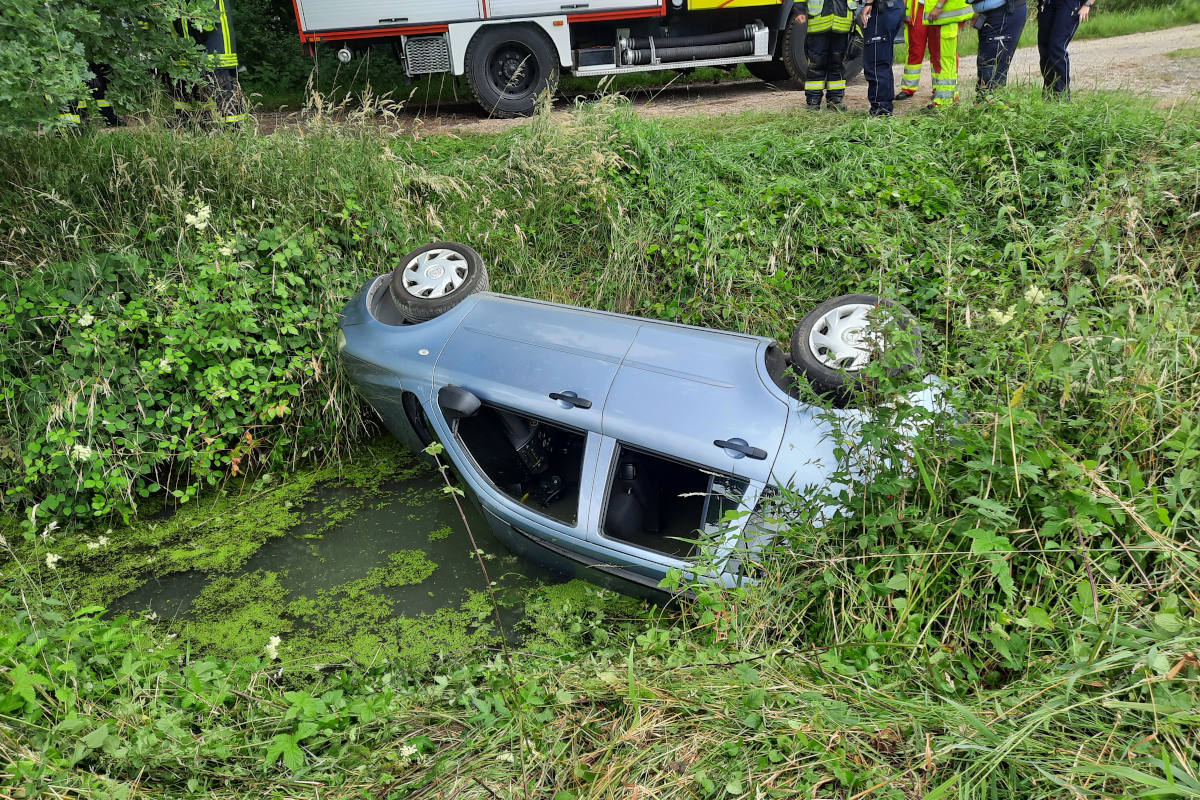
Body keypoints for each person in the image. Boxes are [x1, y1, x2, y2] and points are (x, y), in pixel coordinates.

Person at [804, 0, 859, 111]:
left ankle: (835, 100)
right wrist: (799, 9)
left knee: (837, 64)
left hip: (843, 21)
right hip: (818, 21)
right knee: (816, 64)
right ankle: (813, 102)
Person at [973, 0, 1028, 100]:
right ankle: (984, 106)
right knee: (985, 64)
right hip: (991, 12)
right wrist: (979, 9)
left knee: (993, 68)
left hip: (1005, 12)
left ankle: (991, 108)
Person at [1038, 0, 1093, 98]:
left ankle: (1062, 96)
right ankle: (1049, 94)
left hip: (1069, 4)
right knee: (1044, 49)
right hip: (1047, 4)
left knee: (1056, 47)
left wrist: (1087, 4)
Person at [923, 0, 973, 108]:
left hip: (945, 15)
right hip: (945, 15)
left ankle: (943, 103)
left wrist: (939, 5)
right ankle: (952, 98)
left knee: (945, 60)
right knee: (947, 59)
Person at [860, 0, 907, 116]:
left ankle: (880, 110)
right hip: (893, 7)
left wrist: (869, 3)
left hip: (881, 9)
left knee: (876, 62)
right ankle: (884, 106)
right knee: (883, 60)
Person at [897, 0, 936, 101]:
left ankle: (939, 88)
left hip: (938, 10)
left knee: (937, 52)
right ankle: (908, 88)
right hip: (917, 9)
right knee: (915, 50)